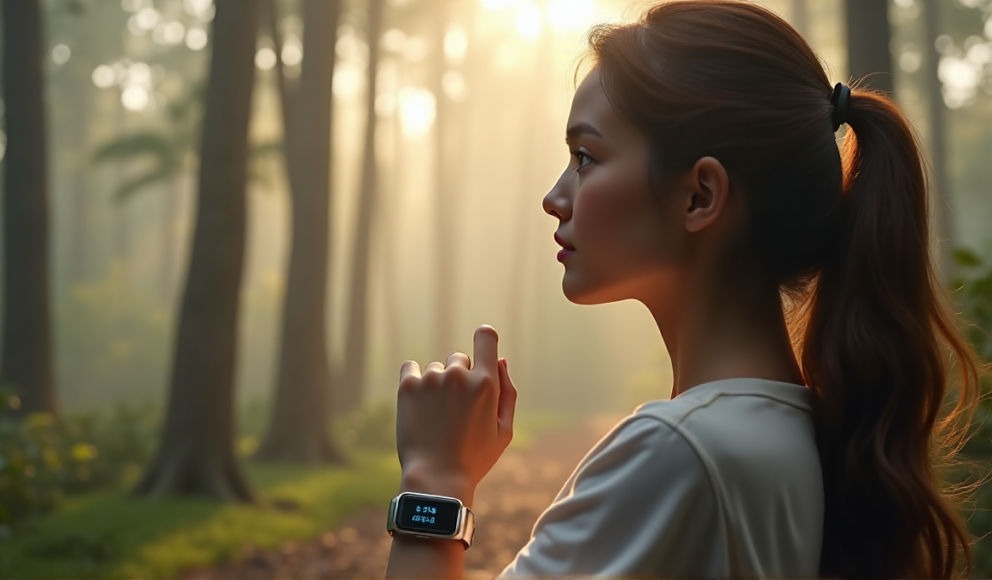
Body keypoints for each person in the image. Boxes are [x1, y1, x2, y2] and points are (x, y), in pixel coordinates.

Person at [384, 1, 987, 578]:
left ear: (700, 196)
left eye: (585, 156)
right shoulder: (807, 436)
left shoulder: (678, 453)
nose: (554, 196)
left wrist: (436, 481)